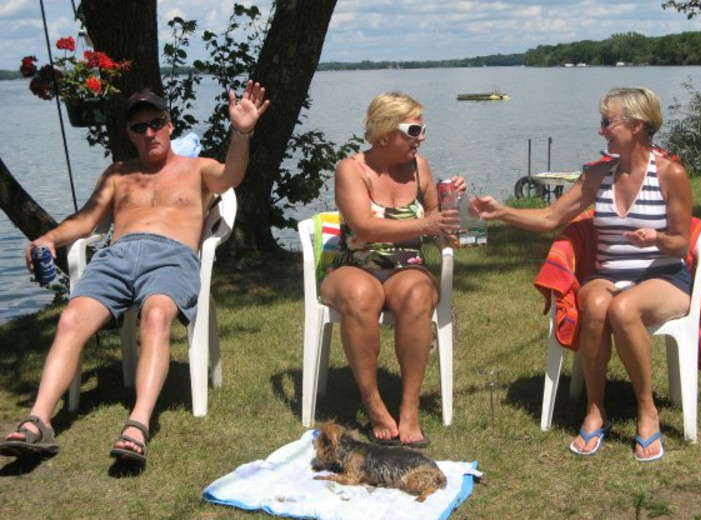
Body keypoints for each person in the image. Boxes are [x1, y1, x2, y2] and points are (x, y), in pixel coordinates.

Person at [0, 80, 269, 466]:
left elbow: (232, 177)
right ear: (130, 135)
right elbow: (87, 220)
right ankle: (38, 420)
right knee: (72, 318)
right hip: (117, 257)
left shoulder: (198, 169)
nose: (149, 132)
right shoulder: (118, 174)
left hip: (172, 258)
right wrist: (48, 238)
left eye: (156, 122)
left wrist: (242, 131)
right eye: (139, 128)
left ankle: (138, 423)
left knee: (156, 315)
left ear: (170, 125)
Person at [470, 86, 692, 462]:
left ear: (637, 126)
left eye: (608, 122)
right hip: (607, 274)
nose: (601, 130)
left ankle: (646, 411)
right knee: (596, 305)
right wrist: (500, 212)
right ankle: (595, 409)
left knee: (624, 310)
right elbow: (550, 217)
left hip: (664, 276)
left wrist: (656, 237)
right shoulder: (598, 175)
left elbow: (682, 244)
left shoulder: (671, 173)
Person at [319, 92, 463, 447]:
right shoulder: (351, 169)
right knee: (360, 294)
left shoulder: (420, 167)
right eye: (414, 129)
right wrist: (423, 226)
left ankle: (409, 407)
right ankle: (373, 403)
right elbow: (365, 227)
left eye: (423, 128)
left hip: (406, 266)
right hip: (355, 264)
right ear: (385, 133)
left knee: (416, 295)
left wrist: (452, 202)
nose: (422, 136)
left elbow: (440, 226)